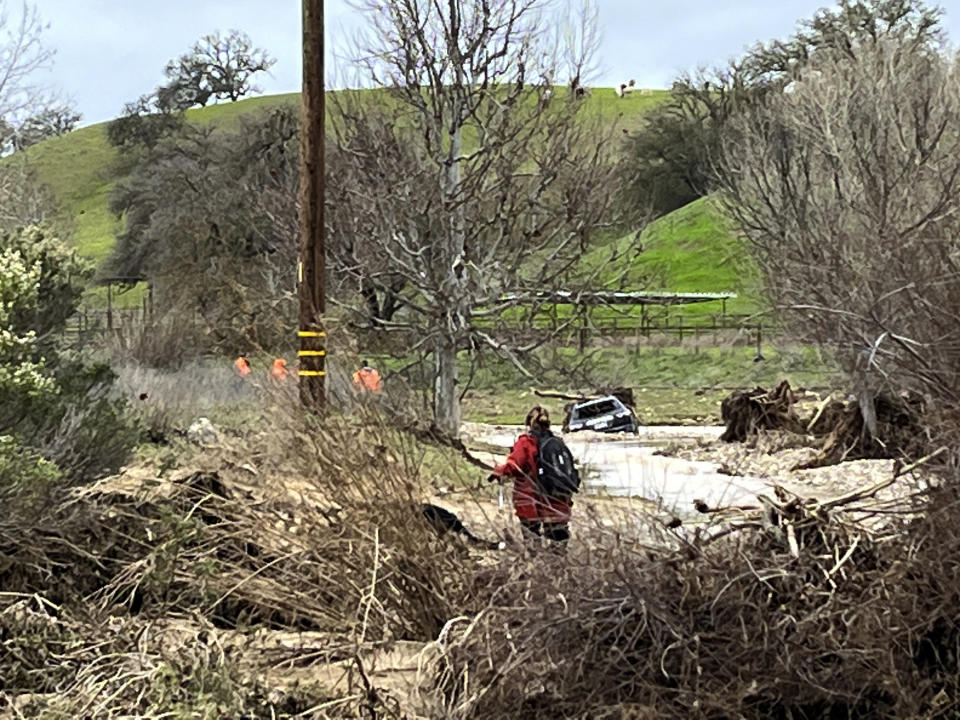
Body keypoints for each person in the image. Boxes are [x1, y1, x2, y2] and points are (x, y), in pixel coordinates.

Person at [488, 406, 578, 545]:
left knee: (532, 539)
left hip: (530, 499)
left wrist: (498, 472)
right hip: (558, 497)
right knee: (558, 540)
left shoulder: (525, 442)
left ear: (529, 423)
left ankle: (536, 562)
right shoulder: (557, 442)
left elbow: (514, 466)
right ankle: (559, 562)